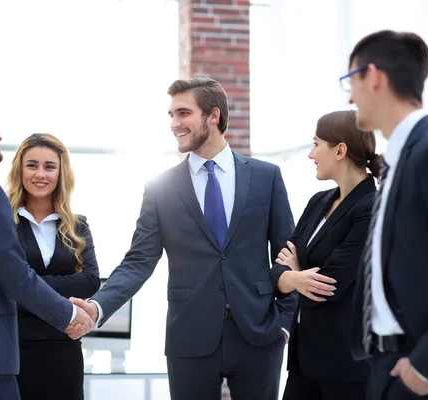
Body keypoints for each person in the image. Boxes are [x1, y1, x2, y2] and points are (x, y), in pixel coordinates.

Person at [69, 78, 297, 400]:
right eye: (171, 115)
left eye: (183, 113)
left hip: (259, 335)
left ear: (213, 115)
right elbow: (138, 261)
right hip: (189, 336)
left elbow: (288, 254)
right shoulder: (160, 188)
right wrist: (97, 307)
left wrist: (284, 323)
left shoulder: (266, 176)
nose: (174, 124)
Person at [0, 95, 95, 400]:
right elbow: (13, 276)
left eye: (50, 166)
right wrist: (68, 311)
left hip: (44, 352)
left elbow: (90, 279)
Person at [346, 30, 428, 399]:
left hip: (422, 373)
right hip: (384, 366)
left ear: (374, 77)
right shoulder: (396, 161)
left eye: (352, 80)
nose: (350, 96)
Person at [275, 110, 376, 400]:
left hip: (345, 367)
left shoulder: (371, 207)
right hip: (303, 362)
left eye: (317, 144)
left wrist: (292, 275)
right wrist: (294, 276)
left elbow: (329, 286)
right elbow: (278, 267)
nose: (311, 154)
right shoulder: (318, 200)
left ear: (340, 150)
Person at [6, 133, 100, 400]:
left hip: (64, 348)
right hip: (14, 349)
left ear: (61, 173)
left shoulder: (77, 225)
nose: (40, 174)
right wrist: (62, 284)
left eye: (50, 166)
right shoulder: (1, 221)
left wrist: (24, 283)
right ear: (20, 169)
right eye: (32, 165)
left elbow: (91, 280)